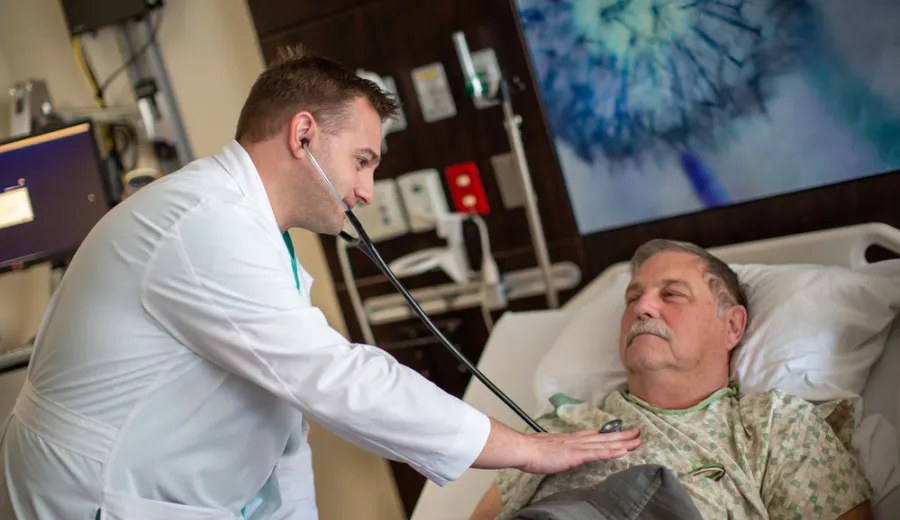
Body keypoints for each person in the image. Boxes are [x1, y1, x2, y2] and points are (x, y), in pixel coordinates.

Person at [0, 47, 642, 520]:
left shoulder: (255, 234)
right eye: (362, 160)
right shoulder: (204, 225)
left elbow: (282, 420)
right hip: (95, 492)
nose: (366, 189)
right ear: (304, 133)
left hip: (174, 487)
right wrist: (528, 451)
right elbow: (339, 381)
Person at [470, 239, 875, 520]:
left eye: (672, 295)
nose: (643, 307)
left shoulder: (772, 427)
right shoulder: (555, 431)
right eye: (632, 298)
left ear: (732, 326)